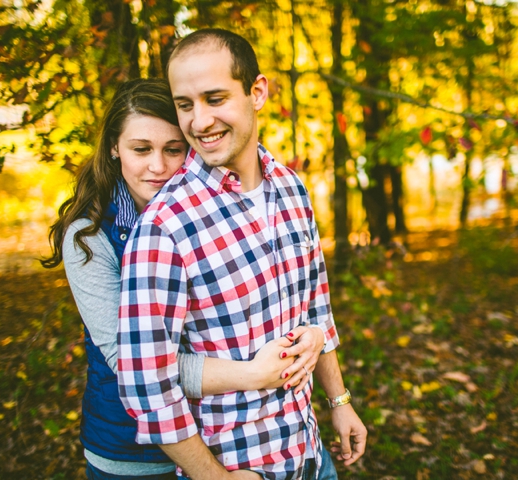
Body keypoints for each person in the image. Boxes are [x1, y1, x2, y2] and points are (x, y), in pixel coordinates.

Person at [42, 79, 324, 479]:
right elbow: (131, 365)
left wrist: (307, 336)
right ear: (113, 149)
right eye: (141, 149)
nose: (157, 166)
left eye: (173, 150)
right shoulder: (89, 238)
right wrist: (255, 374)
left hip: (223, 439)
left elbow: (259, 308)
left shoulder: (218, 210)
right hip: (135, 453)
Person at [117, 29, 367, 480]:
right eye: (185, 105)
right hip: (239, 466)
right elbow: (146, 385)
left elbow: (316, 309)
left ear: (257, 92)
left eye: (215, 98)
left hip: (311, 454)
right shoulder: (164, 228)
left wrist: (339, 401)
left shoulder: (291, 188)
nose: (199, 121)